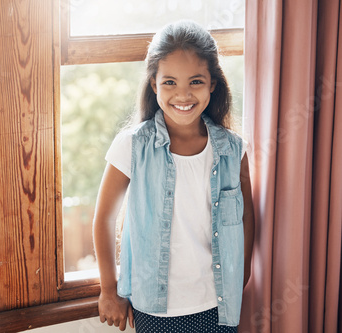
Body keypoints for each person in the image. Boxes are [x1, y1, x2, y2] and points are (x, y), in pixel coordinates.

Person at [92, 20, 254, 332]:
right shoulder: (132, 146)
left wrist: (241, 277)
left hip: (218, 302)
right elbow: (103, 219)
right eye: (170, 83)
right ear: (154, 84)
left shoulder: (234, 150)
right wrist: (109, 291)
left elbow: (246, 217)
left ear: (212, 85)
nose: (183, 95)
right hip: (155, 307)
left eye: (195, 81)